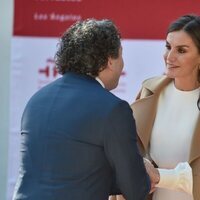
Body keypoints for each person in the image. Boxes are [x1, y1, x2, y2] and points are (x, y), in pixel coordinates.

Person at [12, 19, 152, 200]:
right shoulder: (114, 109)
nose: (122, 64)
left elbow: (65, 175)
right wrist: (143, 173)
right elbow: (135, 189)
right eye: (120, 55)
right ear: (110, 60)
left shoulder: (36, 100)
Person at [115, 14, 200, 200]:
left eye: (182, 50)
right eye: (168, 47)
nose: (170, 57)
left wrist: (160, 177)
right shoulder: (149, 91)